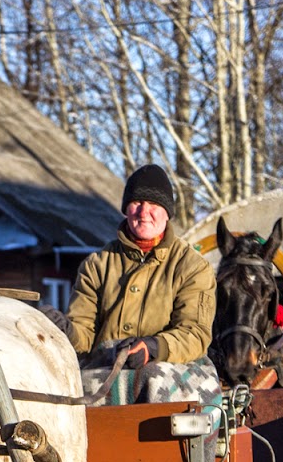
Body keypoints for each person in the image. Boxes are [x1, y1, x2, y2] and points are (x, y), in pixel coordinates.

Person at [64, 164, 220, 404]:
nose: (144, 211)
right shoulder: (97, 265)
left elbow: (195, 334)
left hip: (167, 368)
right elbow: (83, 336)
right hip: (104, 368)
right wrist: (63, 330)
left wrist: (154, 347)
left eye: (155, 205)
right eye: (137, 203)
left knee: (155, 380)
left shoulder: (192, 267)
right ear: (126, 208)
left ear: (167, 213)